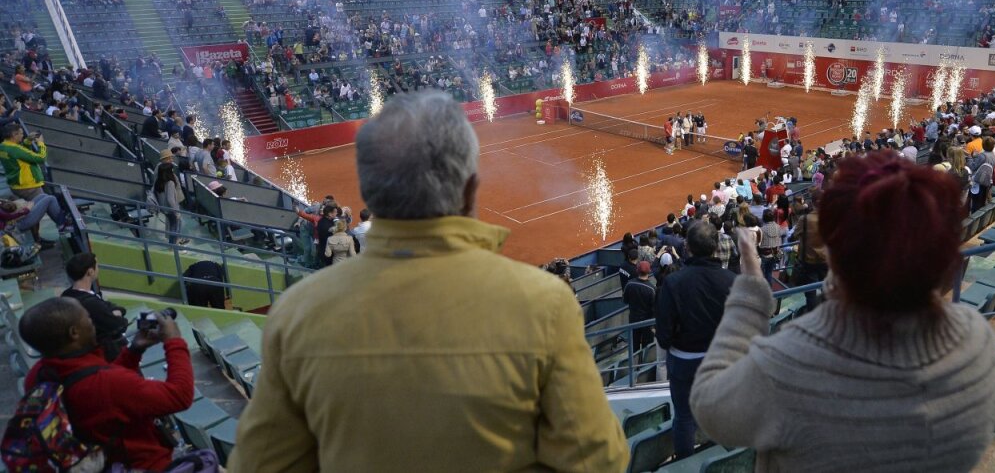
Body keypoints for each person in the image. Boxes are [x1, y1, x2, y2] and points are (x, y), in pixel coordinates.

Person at [230, 91, 627, 472]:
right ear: (471, 189)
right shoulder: (545, 305)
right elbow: (597, 460)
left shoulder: (297, 314)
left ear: (370, 194)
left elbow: (263, 464)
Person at [689, 151, 995, 471]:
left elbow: (708, 405)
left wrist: (751, 290)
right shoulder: (977, 339)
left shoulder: (791, 363)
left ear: (837, 254)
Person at [19, 298, 193, 471]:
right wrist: (174, 341)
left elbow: (102, 392)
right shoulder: (107, 384)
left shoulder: (37, 375)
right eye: (87, 318)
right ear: (74, 332)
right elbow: (180, 395)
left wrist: (134, 351)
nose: (93, 323)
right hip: (141, 465)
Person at [656, 219, 737, 459]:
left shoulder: (673, 282)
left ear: (688, 247)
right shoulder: (731, 280)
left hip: (684, 362)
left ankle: (686, 464)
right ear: (714, 247)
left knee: (684, 416)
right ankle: (718, 459)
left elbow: (663, 335)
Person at [61, 252, 129, 361]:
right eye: (97, 266)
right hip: (103, 354)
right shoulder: (91, 304)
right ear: (90, 272)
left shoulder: (67, 294)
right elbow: (120, 325)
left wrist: (115, 311)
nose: (98, 269)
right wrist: (116, 313)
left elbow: (109, 306)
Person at [0, 123, 50, 200]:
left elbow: (21, 154)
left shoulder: (3, 146)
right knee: (44, 203)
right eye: (21, 133)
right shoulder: (15, 150)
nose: (23, 135)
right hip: (29, 187)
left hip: (15, 184)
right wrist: (41, 143)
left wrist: (28, 140)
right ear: (14, 135)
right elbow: (41, 158)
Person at [149, 150, 187, 246]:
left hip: (166, 204)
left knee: (172, 222)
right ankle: (174, 243)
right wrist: (176, 211)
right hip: (170, 205)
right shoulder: (167, 179)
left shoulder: (162, 170)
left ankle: (174, 240)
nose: (171, 159)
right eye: (169, 158)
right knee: (176, 223)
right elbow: (170, 198)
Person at [622, 261, 657, 354]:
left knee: (634, 347)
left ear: (637, 270)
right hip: (647, 323)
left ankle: (634, 366)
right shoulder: (652, 289)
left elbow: (625, 300)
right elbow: (654, 309)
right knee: (647, 348)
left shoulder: (629, 284)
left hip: (633, 320)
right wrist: (653, 326)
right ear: (649, 271)